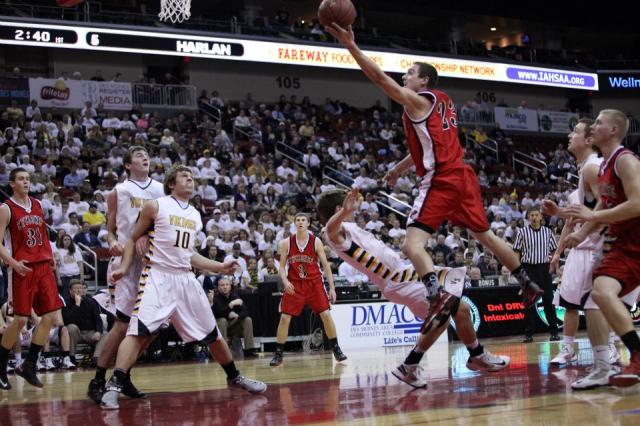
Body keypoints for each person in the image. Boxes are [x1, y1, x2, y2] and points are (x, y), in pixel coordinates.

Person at [325, 24, 542, 332]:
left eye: (410, 73)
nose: (405, 77)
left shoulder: (419, 101)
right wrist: (399, 169)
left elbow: (381, 81)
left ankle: (434, 294)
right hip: (462, 175)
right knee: (487, 237)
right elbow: (429, 144)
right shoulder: (442, 102)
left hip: (441, 178)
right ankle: (527, 283)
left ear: (424, 80)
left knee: (412, 245)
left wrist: (351, 46)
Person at [101, 166, 266, 409]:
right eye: (184, 177)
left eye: (192, 177)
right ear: (171, 183)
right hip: (158, 276)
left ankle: (235, 377)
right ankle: (114, 385)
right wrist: (124, 268)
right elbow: (132, 239)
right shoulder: (155, 206)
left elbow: (190, 255)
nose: (190, 180)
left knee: (212, 334)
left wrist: (220, 267)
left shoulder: (195, 215)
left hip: (185, 278)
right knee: (138, 331)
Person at [317, 189, 509, 389]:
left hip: (404, 274)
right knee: (446, 308)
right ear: (339, 208)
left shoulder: (348, 227)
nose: (355, 208)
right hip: (399, 280)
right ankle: (469, 356)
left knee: (455, 312)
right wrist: (344, 212)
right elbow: (330, 229)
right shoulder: (333, 232)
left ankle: (458, 357)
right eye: (347, 204)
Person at [542, 119, 630, 389]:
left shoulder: (593, 167)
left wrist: (583, 234)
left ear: (590, 139)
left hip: (610, 245)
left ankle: (609, 361)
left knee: (596, 303)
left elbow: (608, 206)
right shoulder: (589, 168)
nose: (570, 135)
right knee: (591, 304)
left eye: (576, 131)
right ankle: (605, 362)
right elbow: (592, 210)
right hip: (599, 244)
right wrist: (561, 214)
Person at [564, 109, 640, 387]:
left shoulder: (625, 160)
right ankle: (635, 356)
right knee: (600, 292)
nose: (593, 127)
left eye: (598, 123)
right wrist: (581, 232)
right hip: (625, 245)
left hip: (635, 242)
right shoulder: (606, 166)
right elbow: (603, 205)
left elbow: (637, 204)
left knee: (599, 295)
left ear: (614, 130)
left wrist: (593, 216)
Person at [87, 146, 165, 404]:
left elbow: (164, 223)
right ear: (128, 165)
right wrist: (112, 242)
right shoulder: (118, 191)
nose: (145, 158)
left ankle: (122, 375)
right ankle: (98, 380)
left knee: (151, 328)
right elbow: (110, 229)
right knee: (122, 325)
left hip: (153, 261)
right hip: (126, 263)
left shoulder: (161, 189)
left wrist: (148, 236)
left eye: (147, 155)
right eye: (139, 156)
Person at [0, 168, 64, 390]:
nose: (25, 182)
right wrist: (13, 263)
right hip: (22, 268)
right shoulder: (6, 208)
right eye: (21, 179)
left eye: (27, 179)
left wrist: (51, 254)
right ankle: (1, 368)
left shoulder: (37, 204)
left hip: (43, 266)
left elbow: (43, 234)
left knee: (51, 317)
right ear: (12, 183)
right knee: (19, 320)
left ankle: (29, 365)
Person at [269, 212, 346, 367]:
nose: (300, 222)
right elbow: (282, 267)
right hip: (295, 284)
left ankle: (336, 348)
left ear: (308, 223)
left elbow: (326, 266)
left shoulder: (316, 241)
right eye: (298, 220)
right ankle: (278, 353)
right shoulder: (286, 243)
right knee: (284, 318)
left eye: (303, 220)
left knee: (326, 315)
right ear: (295, 223)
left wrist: (332, 288)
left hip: (314, 283)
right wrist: (285, 281)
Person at [513, 208, 559, 343]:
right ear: (528, 218)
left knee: (548, 300)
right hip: (528, 269)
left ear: (540, 217)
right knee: (528, 302)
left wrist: (555, 267)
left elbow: (554, 250)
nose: (534, 217)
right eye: (531, 215)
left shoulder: (548, 232)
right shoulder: (522, 232)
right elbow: (517, 252)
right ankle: (529, 334)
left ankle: (554, 332)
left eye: (536, 215)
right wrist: (518, 271)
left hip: (544, 269)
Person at [211, 276, 258, 358]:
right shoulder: (216, 298)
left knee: (247, 319)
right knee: (222, 320)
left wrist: (237, 315)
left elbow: (246, 311)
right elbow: (219, 313)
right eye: (222, 285)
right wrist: (231, 305)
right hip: (221, 327)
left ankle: (249, 349)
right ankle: (223, 351)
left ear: (230, 286)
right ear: (218, 287)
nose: (225, 287)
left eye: (227, 285)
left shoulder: (235, 296)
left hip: (234, 326)